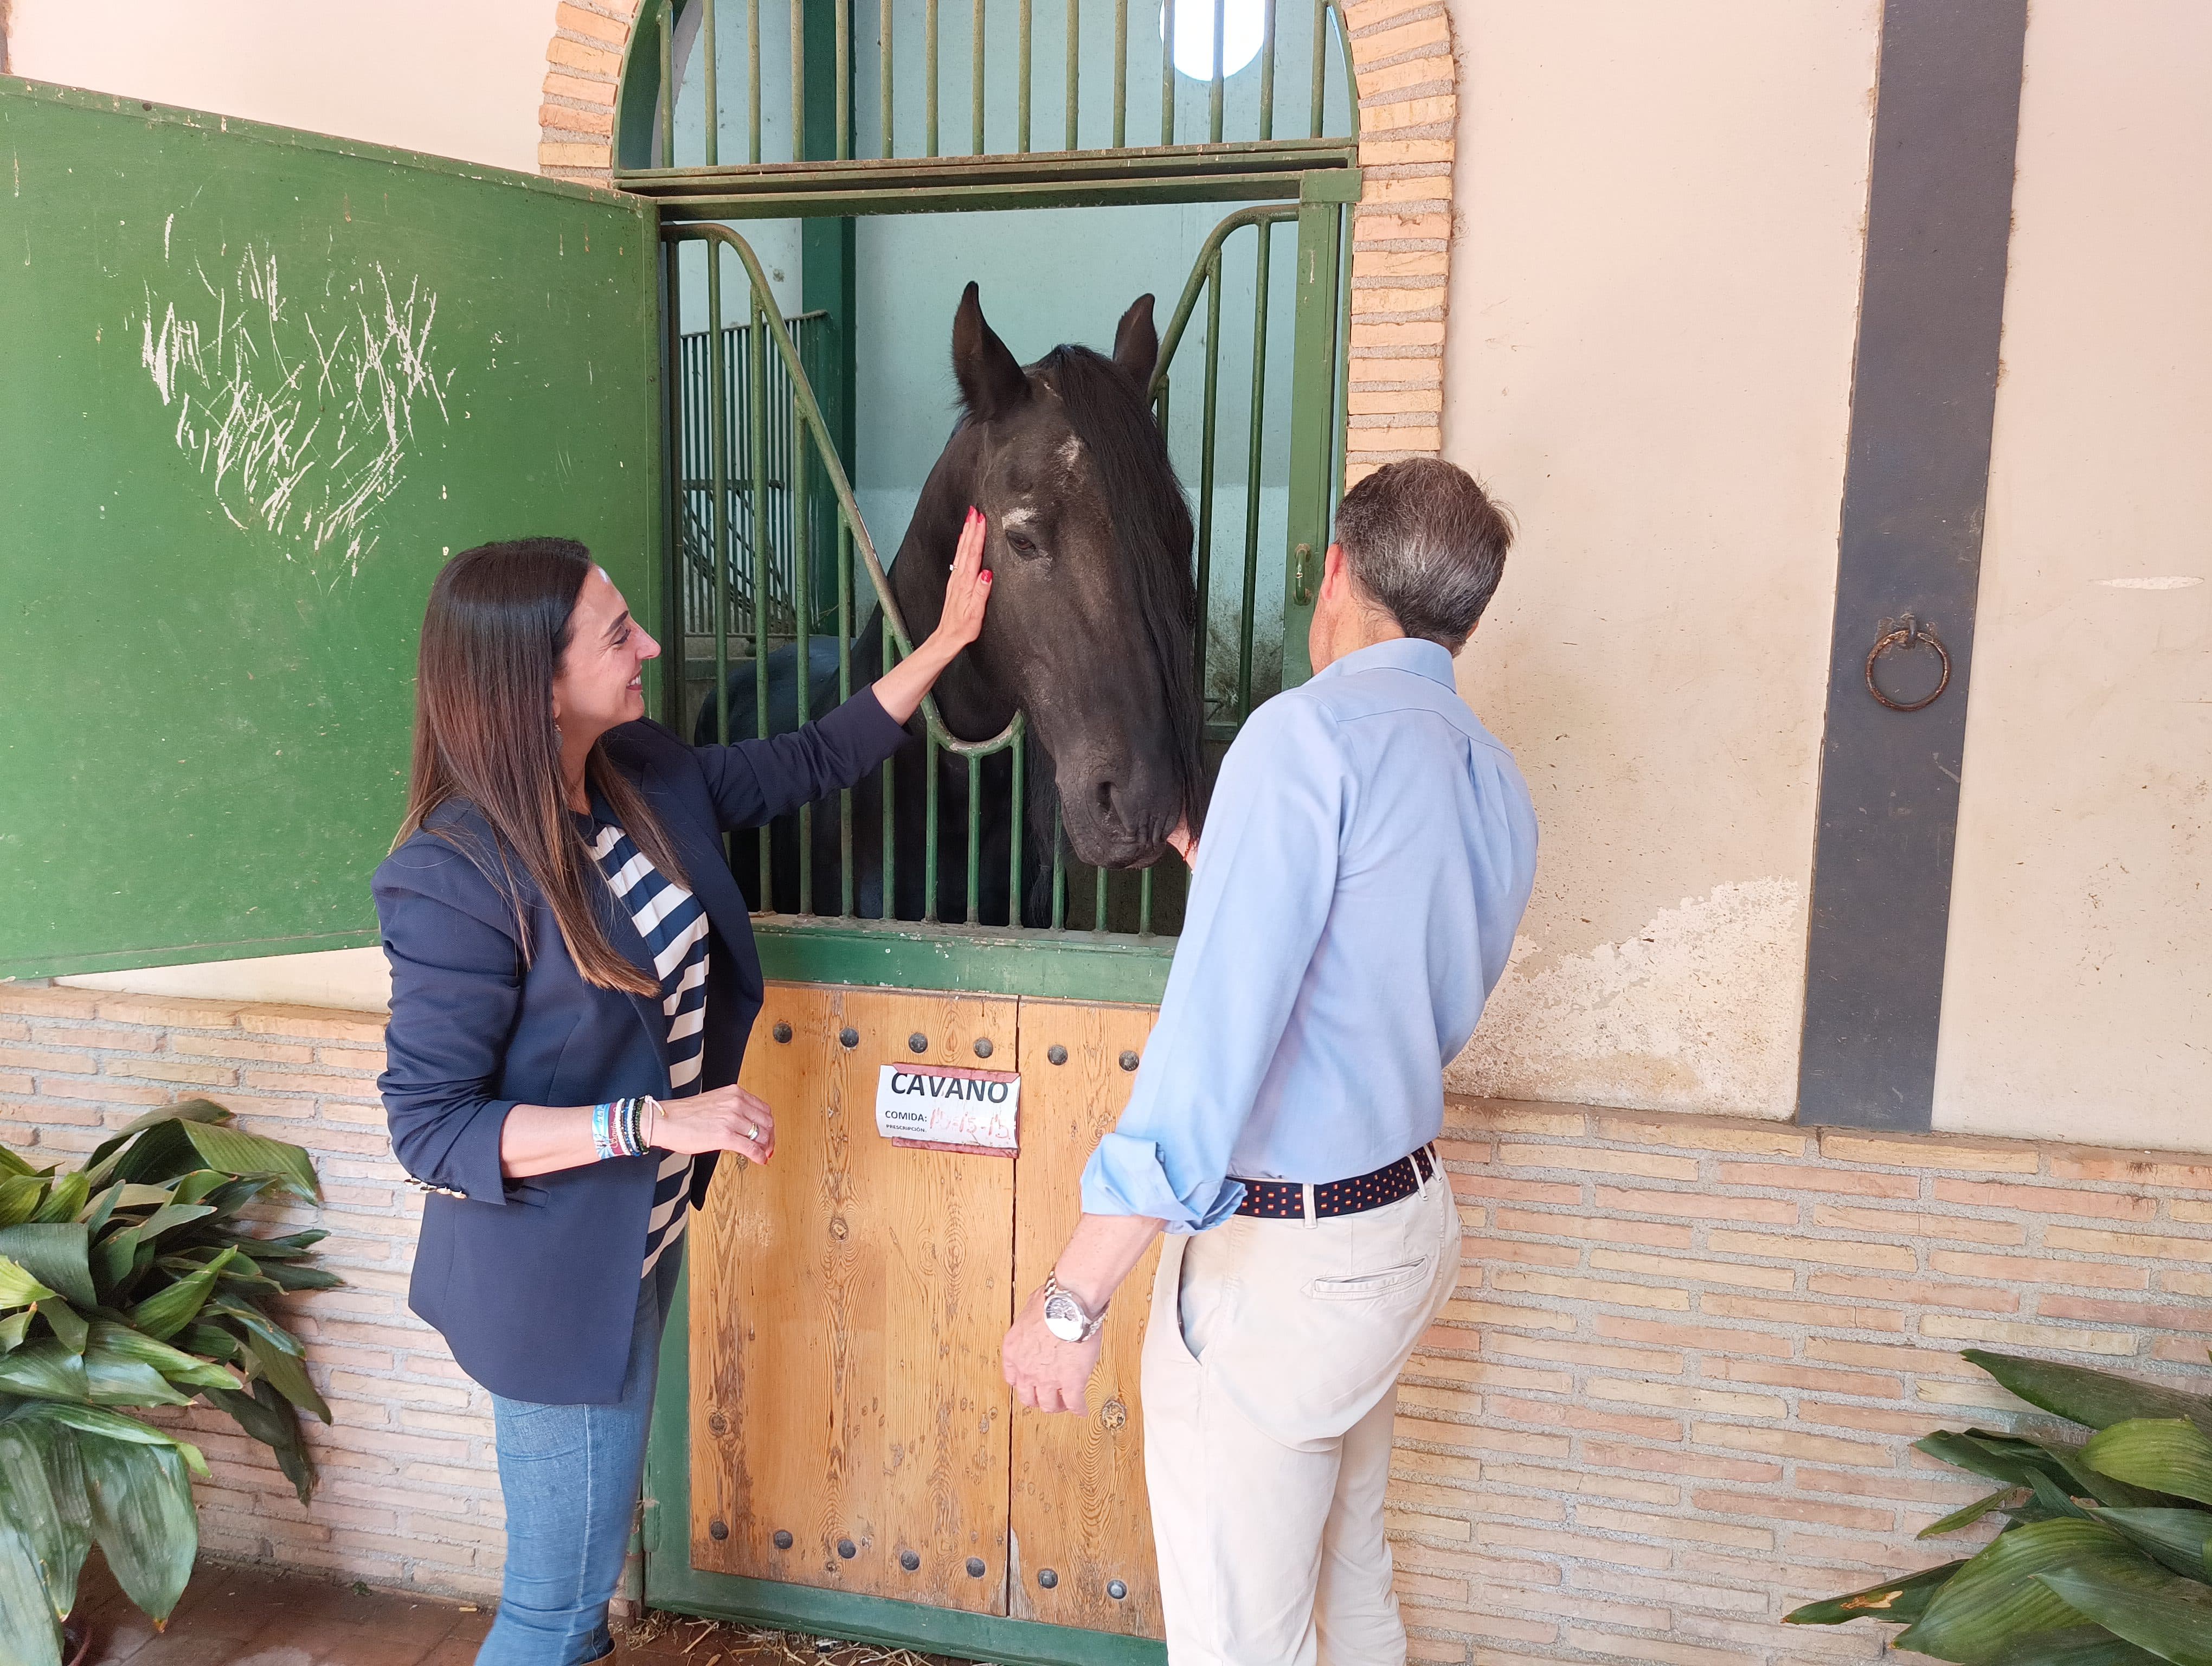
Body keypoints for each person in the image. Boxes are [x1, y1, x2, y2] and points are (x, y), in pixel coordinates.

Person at [375, 519, 992, 1666]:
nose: (649, 645)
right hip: (548, 1278)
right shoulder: (453, 877)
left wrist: (949, 641)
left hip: (635, 1243)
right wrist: (655, 1122)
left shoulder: (640, 773)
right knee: (552, 1606)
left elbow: (814, 757)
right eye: (618, 635)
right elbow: (429, 1130)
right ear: (537, 686)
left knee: (584, 1586)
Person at [1000, 458, 1539, 1665]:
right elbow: (1398, 999)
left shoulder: (1299, 740)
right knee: (1352, 1582)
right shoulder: (1494, 779)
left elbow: (1207, 1059)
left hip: (1280, 1275)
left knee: (1243, 1634)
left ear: (1337, 571)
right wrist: (1236, 873)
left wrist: (1071, 1299)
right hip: (1400, 1231)